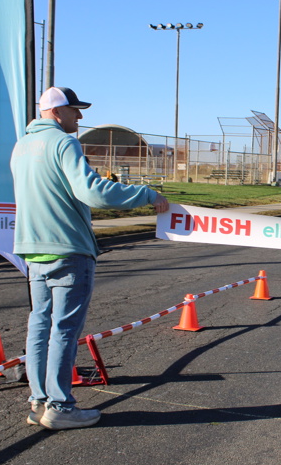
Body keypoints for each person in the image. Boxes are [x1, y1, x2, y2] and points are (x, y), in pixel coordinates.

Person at [11, 87, 169, 430]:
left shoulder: (22, 146)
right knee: (64, 330)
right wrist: (146, 194)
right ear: (57, 112)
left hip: (32, 248)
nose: (80, 117)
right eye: (75, 110)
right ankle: (60, 406)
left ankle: (39, 402)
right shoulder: (63, 143)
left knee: (39, 325)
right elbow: (92, 192)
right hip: (67, 248)